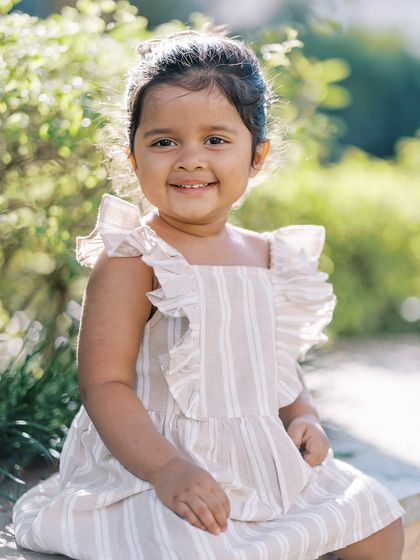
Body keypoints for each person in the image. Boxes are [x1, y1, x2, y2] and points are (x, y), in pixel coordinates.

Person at [13, 29, 404, 560]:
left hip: (261, 461)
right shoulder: (137, 258)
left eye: (216, 141)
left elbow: (274, 362)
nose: (190, 159)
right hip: (156, 465)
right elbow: (104, 382)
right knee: (201, 545)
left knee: (376, 519)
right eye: (164, 141)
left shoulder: (268, 256)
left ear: (256, 156)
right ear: (133, 157)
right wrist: (166, 469)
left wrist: (303, 415)